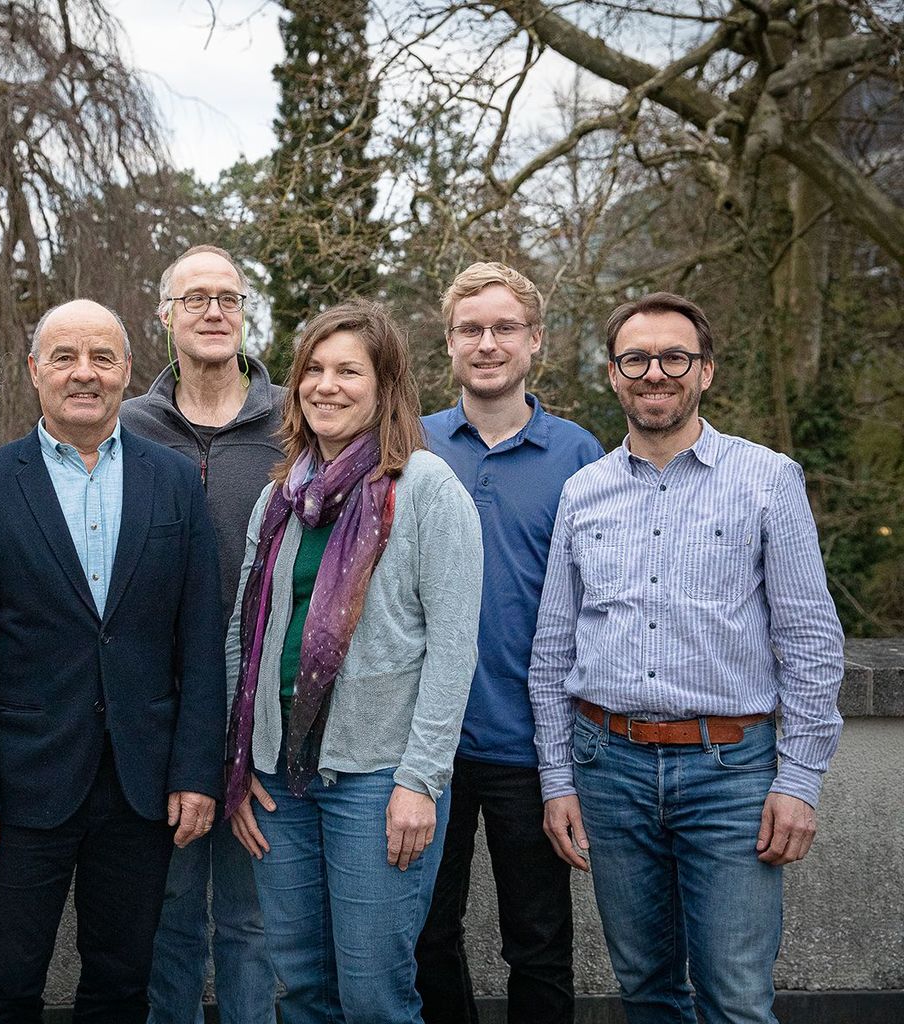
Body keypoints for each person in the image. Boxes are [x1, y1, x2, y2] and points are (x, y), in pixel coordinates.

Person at [529, 292, 845, 1024]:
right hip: (607, 770)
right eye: (635, 358)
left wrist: (798, 778)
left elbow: (810, 638)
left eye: (675, 357)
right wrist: (557, 780)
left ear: (705, 370)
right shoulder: (583, 493)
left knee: (736, 996)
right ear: (613, 374)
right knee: (645, 989)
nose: (655, 373)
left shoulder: (767, 479)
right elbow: (552, 652)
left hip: (731, 773)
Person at [0, 299, 226, 1023]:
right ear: (35, 372)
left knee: (122, 984)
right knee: (6, 984)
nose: (83, 374)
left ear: (127, 370)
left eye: (101, 357)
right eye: (64, 357)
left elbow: (199, 640)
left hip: (141, 783)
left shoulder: (175, 482)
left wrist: (195, 771)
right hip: (22, 785)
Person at [226, 299, 483, 1024]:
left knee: (374, 997)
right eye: (314, 369)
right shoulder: (280, 498)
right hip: (279, 781)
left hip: (377, 782)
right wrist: (240, 767)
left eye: (349, 371)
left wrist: (420, 781)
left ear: (385, 387)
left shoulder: (427, 490)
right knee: (304, 989)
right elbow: (242, 639)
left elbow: (454, 648)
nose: (326, 385)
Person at [415, 263, 604, 1023]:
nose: (486, 343)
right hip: (425, 745)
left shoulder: (578, 455)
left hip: (534, 746)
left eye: (503, 329)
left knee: (539, 943)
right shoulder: (410, 444)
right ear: (450, 343)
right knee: (426, 937)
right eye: (470, 330)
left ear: (535, 342)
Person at [123, 243, 282, 1024]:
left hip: (269, 712)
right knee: (171, 916)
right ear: (166, 317)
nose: (214, 312)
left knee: (254, 923)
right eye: (196, 299)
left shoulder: (295, 421)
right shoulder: (127, 427)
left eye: (228, 298)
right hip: (162, 712)